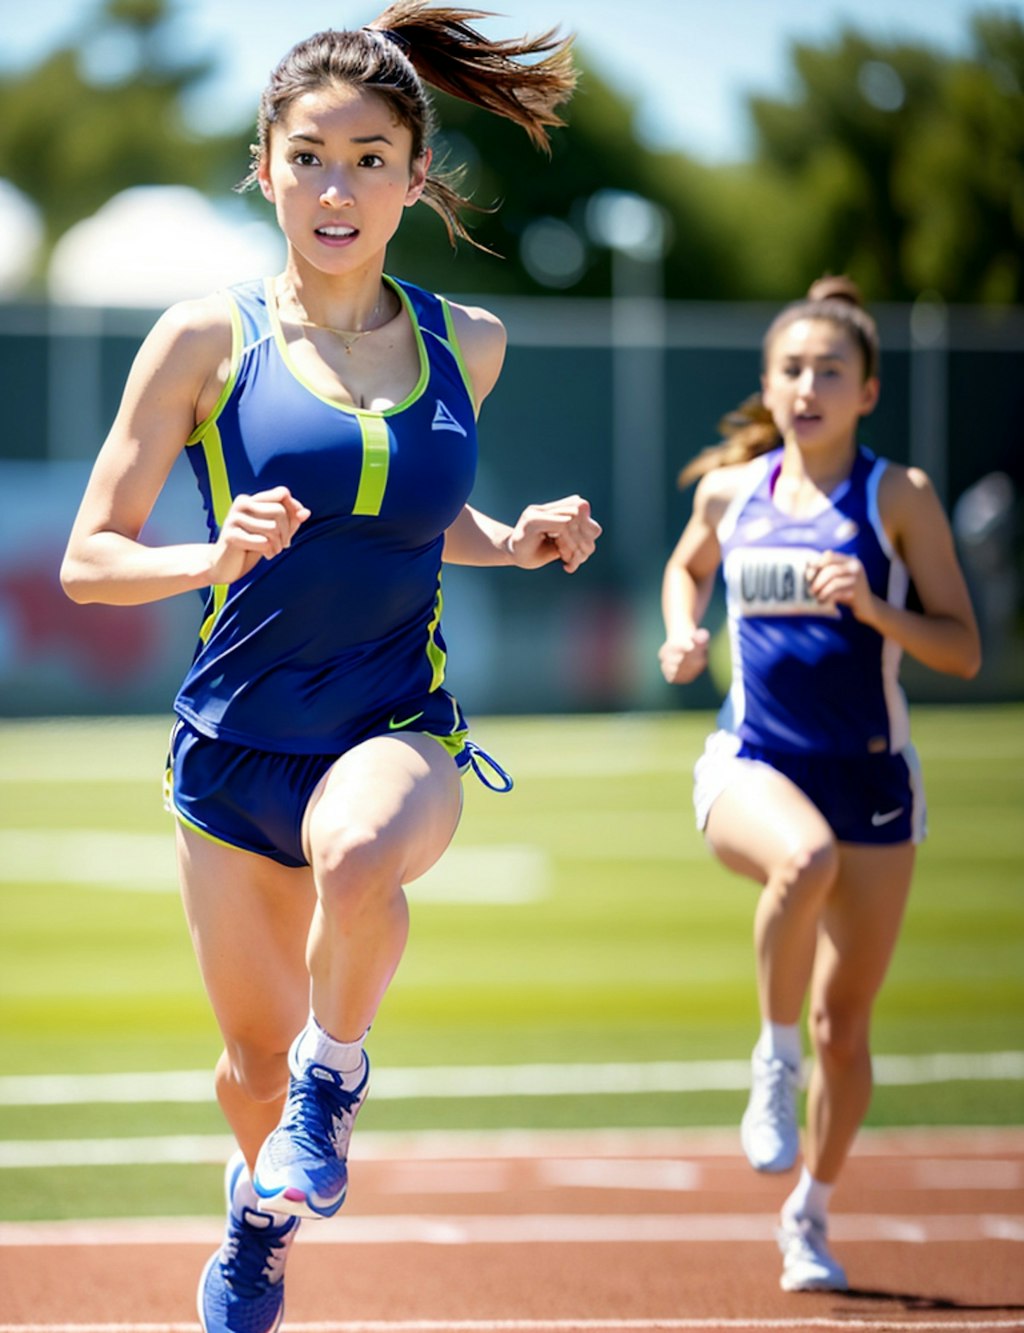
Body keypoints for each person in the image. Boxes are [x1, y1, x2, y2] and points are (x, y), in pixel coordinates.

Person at [60, 6, 600, 1329]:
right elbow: (87, 560)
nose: (338, 186)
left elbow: (421, 525)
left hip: (395, 726)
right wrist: (210, 554)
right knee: (245, 1062)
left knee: (358, 856)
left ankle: (335, 1076)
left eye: (370, 157)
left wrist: (517, 541)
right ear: (265, 168)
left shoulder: (466, 339)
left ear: (417, 177)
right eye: (311, 156)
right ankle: (255, 1219)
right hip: (231, 748)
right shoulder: (203, 341)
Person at [658, 276, 980, 1293]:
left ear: (865, 392)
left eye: (829, 371)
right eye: (791, 370)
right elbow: (685, 568)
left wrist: (875, 609)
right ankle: (769, 1060)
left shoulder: (898, 497)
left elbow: (964, 649)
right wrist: (680, 630)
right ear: (768, 383)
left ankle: (811, 1213)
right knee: (800, 859)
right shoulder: (733, 492)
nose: (807, 386)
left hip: (876, 780)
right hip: (753, 761)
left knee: (851, 1032)